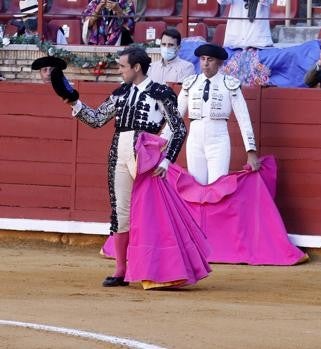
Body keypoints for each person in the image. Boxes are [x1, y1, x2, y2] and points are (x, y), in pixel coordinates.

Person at [68, 46, 187, 287]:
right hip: (119, 153)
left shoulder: (161, 92)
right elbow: (97, 119)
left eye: (122, 66)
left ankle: (156, 269)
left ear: (137, 67)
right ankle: (121, 269)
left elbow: (179, 128)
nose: (119, 70)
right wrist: (74, 102)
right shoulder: (120, 92)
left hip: (147, 157)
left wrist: (167, 160)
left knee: (150, 215)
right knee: (121, 212)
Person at [162, 43, 259, 185]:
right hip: (194, 142)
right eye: (203, 59)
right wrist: (162, 142)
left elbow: (244, 119)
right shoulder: (190, 83)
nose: (205, 64)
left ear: (219, 62)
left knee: (218, 187)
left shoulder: (230, 84)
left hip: (218, 141)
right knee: (196, 186)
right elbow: (174, 119)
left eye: (210, 60)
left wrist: (251, 151)